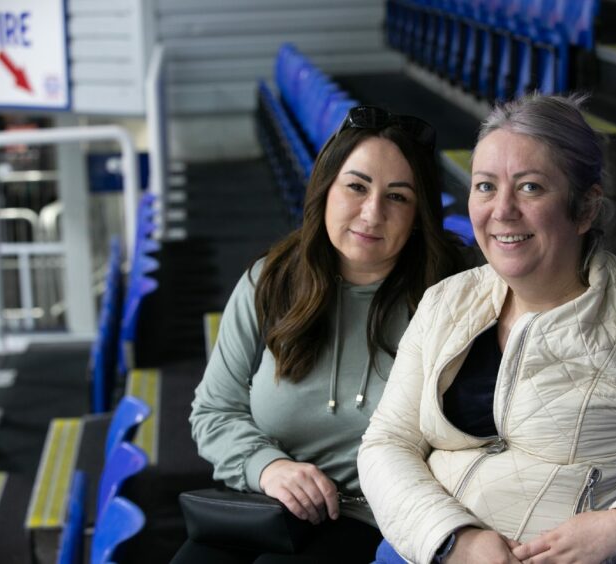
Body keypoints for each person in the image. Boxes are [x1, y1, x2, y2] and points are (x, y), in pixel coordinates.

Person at [357, 94, 616, 564]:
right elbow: (386, 444)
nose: (502, 210)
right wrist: (453, 539)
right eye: (484, 186)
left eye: (531, 187)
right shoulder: (446, 300)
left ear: (584, 209)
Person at [174, 105, 467, 563]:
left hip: (375, 521)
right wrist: (267, 467)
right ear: (325, 187)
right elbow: (214, 410)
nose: (372, 214)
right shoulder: (270, 281)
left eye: (398, 197)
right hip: (267, 505)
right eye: (356, 186)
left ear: (418, 214)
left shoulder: (450, 297)